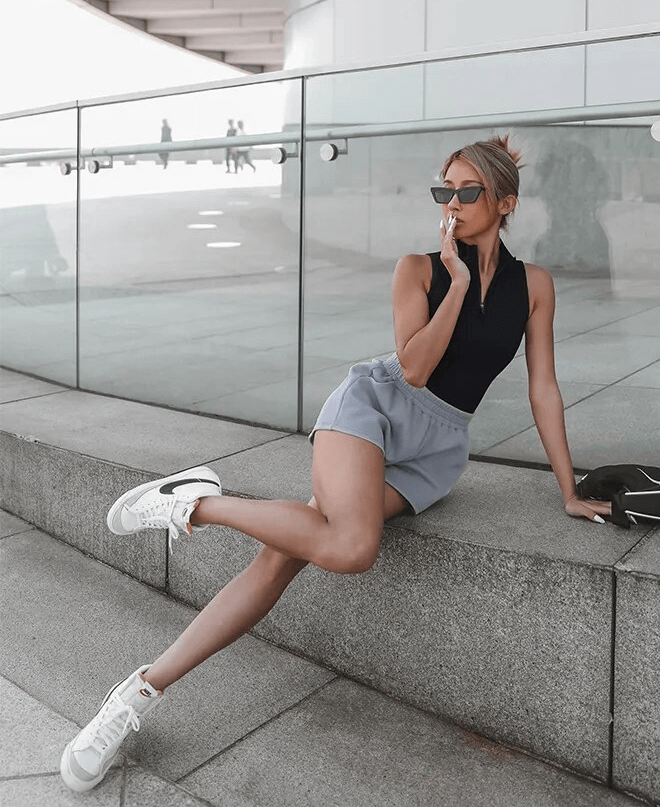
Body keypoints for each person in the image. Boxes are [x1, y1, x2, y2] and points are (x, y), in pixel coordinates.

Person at [59, 136, 611, 793]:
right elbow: (413, 367)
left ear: (506, 203)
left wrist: (568, 487)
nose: (453, 204)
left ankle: (138, 690)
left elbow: (542, 388)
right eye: (446, 191)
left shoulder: (535, 286)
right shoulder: (417, 269)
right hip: (374, 408)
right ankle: (195, 507)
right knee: (350, 546)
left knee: (281, 556)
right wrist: (458, 285)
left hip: (435, 448)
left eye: (469, 192)